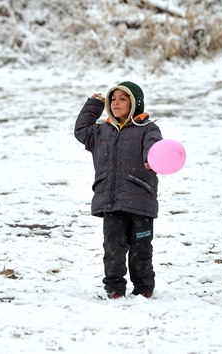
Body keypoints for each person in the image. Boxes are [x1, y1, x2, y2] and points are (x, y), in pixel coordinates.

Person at [74, 81, 162, 299]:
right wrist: (94, 105)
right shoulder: (101, 131)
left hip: (140, 200)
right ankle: (114, 287)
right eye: (113, 99)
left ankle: (144, 287)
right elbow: (81, 130)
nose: (116, 103)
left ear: (135, 103)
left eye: (123, 99)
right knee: (112, 249)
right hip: (111, 201)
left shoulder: (148, 128)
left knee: (141, 250)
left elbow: (154, 146)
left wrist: (151, 158)